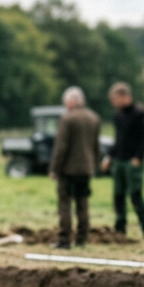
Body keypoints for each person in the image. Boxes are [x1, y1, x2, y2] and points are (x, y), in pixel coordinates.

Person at [49, 86, 101, 249]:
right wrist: (94, 165)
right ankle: (82, 238)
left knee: (65, 204)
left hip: (68, 170)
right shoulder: (94, 118)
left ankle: (65, 239)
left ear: (71, 101)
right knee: (83, 204)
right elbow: (96, 147)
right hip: (86, 169)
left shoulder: (67, 119)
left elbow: (61, 147)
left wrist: (55, 168)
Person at [102, 82, 144, 240]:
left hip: (133, 162)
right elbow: (118, 139)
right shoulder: (117, 115)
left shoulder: (140, 114)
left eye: (115, 99)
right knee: (118, 196)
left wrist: (138, 157)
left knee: (135, 195)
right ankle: (120, 230)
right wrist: (110, 157)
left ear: (125, 97)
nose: (114, 102)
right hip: (119, 161)